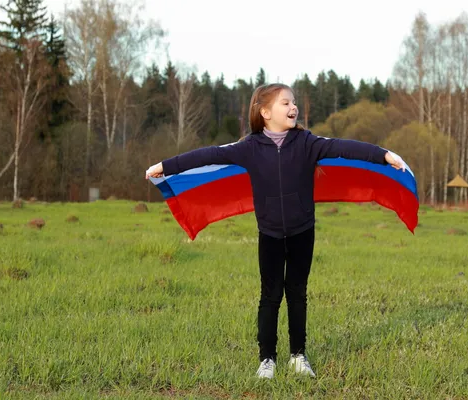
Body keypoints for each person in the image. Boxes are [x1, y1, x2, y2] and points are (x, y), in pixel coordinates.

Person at [145, 83, 406, 379]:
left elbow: (345, 147)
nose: (292, 107)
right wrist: (166, 165)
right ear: (265, 112)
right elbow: (208, 155)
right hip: (268, 234)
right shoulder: (249, 148)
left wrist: (383, 155)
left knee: (297, 294)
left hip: (302, 232)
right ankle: (267, 359)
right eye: (285, 103)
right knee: (270, 296)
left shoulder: (308, 143)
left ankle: (298, 356)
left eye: (293, 102)